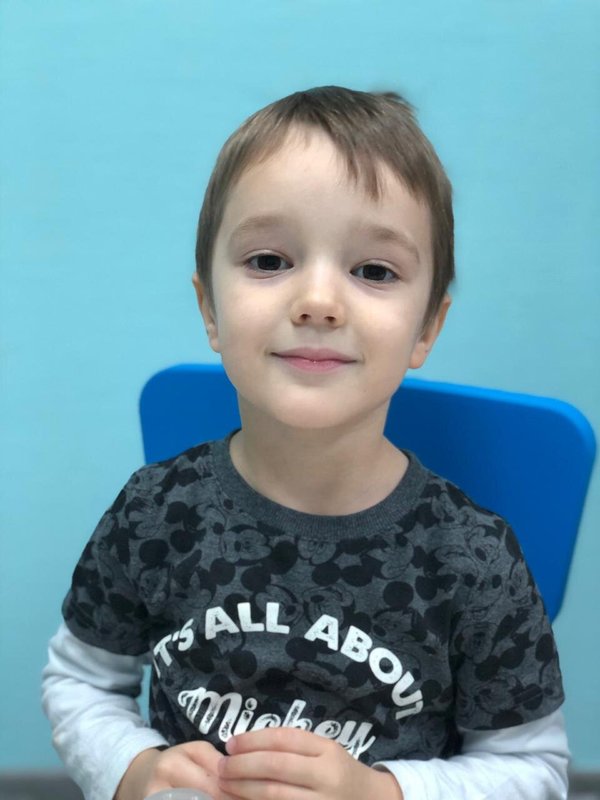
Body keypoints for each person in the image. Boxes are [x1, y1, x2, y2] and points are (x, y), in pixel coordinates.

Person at [42, 86, 569, 800]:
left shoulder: (473, 559)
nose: (318, 301)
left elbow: (533, 768)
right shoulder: (156, 512)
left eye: (374, 271)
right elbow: (80, 681)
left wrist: (379, 793)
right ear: (210, 309)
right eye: (269, 260)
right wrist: (132, 769)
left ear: (425, 329)